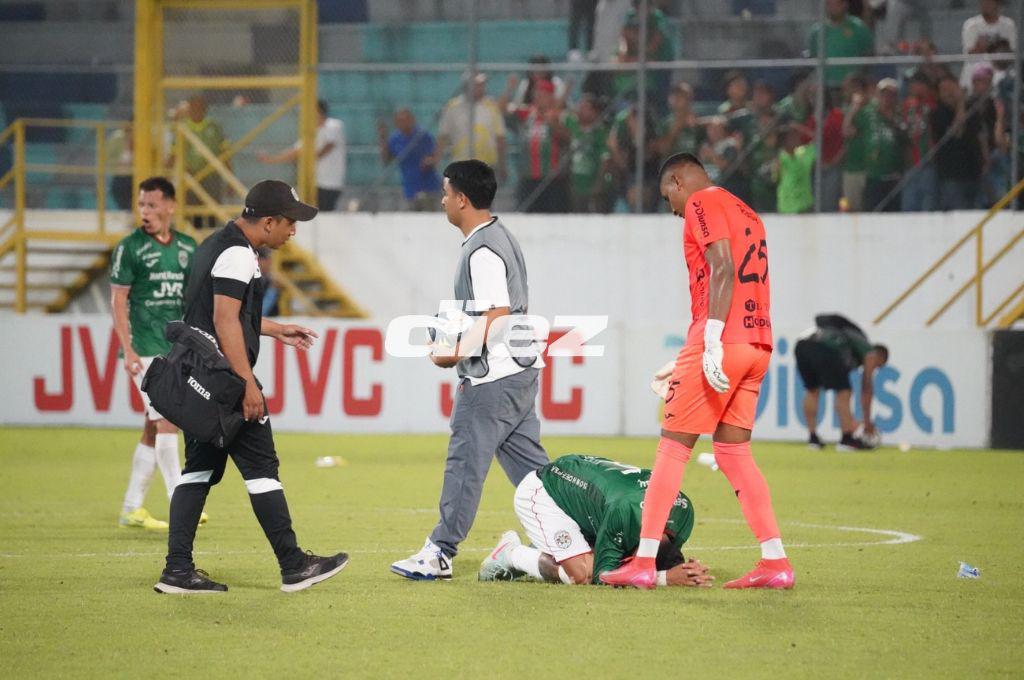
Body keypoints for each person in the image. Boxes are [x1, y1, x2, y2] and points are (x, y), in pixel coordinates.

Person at [600, 153, 791, 590]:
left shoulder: (702, 203)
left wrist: (709, 341)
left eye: (669, 195)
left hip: (721, 338)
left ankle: (644, 562)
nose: (672, 208)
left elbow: (722, 266)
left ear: (679, 179)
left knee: (673, 448)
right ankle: (775, 561)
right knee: (732, 453)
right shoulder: (748, 212)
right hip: (756, 341)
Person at [155, 180, 348, 594]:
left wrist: (276, 330)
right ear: (268, 221)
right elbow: (225, 321)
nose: (293, 231)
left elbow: (220, 314)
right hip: (224, 380)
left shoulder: (217, 244)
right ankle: (293, 565)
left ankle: (177, 570)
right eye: (290, 222)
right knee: (262, 469)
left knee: (199, 470)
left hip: (198, 376)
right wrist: (247, 385)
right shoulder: (240, 256)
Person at [390, 160, 549, 581]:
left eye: (445, 193)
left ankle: (439, 553)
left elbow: (497, 312)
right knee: (532, 471)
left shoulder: (481, 249)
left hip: (492, 377)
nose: (442, 200)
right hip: (518, 372)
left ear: (462, 198)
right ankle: (567, 533)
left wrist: (455, 353)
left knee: (465, 462)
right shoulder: (500, 237)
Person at [478, 454, 712, 588]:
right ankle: (511, 554)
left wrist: (682, 569)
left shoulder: (684, 512)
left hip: (588, 499)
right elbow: (602, 577)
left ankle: (553, 548)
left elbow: (660, 554)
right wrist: (665, 579)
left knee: (608, 552)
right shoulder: (623, 513)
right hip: (544, 492)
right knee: (582, 574)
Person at [110, 177, 198, 531]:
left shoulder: (188, 248)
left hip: (176, 350)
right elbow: (118, 299)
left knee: (152, 426)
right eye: (141, 205)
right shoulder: (129, 248)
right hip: (144, 348)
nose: (145, 212)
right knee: (168, 421)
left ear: (170, 206)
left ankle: (132, 507)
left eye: (151, 205)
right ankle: (182, 504)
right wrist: (127, 348)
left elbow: (192, 301)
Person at [794, 314, 889, 451]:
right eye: (878, 366)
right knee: (844, 391)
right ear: (880, 356)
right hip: (824, 347)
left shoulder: (851, 349)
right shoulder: (870, 352)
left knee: (812, 389)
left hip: (802, 345)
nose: (875, 368)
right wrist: (867, 422)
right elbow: (866, 387)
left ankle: (813, 439)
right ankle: (847, 439)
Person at [258, 99, 346, 211]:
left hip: (331, 182)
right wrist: (271, 159)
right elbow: (295, 152)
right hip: (314, 182)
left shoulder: (334, 125)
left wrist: (312, 157)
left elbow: (329, 145)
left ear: (319, 112)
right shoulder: (310, 132)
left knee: (325, 213)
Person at [510, 79, 571, 213]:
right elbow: (505, 111)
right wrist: (510, 88)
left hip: (553, 179)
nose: (538, 98)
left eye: (542, 95)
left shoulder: (561, 115)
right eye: (536, 94)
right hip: (529, 177)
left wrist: (552, 122)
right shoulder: (528, 114)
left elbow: (568, 139)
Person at [437, 73, 508, 181]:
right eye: (477, 85)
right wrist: (437, 161)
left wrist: (502, 165)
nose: (481, 88)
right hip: (461, 164)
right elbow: (443, 136)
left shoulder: (492, 106)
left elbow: (500, 138)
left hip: (487, 165)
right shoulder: (453, 107)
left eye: (482, 85)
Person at [931, 75, 987, 211]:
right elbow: (957, 131)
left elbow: (980, 135)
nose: (949, 92)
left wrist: (985, 159)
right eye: (944, 89)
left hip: (974, 171)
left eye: (952, 88)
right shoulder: (938, 113)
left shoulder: (971, 109)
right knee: (959, 213)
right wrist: (961, 103)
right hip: (952, 175)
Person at [377, 108, 441, 211]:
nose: (403, 123)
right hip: (409, 188)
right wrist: (383, 139)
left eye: (406, 119)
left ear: (412, 120)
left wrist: (429, 161)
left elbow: (434, 155)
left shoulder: (423, 136)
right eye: (400, 121)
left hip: (429, 187)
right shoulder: (395, 139)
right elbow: (387, 160)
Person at [180, 96, 228, 229]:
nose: (196, 111)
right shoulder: (182, 128)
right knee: (192, 213)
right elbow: (174, 154)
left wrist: (229, 178)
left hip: (211, 177)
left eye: (199, 108)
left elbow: (225, 154)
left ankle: (211, 241)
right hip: (191, 177)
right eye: (193, 108)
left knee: (212, 211)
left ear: (205, 110)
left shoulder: (214, 127)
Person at [808, 0, 875, 91]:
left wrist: (858, 78)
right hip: (824, 87)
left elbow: (869, 55)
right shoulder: (817, 31)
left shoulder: (858, 27)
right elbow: (812, 58)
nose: (833, 7)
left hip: (853, 88)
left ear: (845, 4)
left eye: (837, 4)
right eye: (829, 4)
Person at [863, 78, 908, 212]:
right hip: (873, 176)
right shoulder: (868, 113)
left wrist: (891, 119)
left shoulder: (901, 114)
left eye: (891, 95)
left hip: (894, 176)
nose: (887, 98)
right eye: (883, 94)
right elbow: (847, 130)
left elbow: (906, 140)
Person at [565, 94, 612, 213]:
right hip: (575, 185)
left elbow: (605, 159)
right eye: (580, 106)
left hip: (593, 187)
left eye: (585, 107)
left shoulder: (601, 132)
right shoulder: (572, 125)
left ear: (595, 112)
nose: (580, 109)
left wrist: (599, 184)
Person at [900, 71, 938, 212]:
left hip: (928, 162)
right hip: (909, 163)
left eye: (917, 84)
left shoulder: (933, 103)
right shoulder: (904, 106)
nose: (913, 87)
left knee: (928, 205)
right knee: (909, 205)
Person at [960, 0, 1017, 93]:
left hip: (1001, 67)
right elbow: (970, 53)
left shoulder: (1009, 25)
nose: (985, 6)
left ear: (997, 5)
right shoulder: (971, 25)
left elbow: (1012, 52)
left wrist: (986, 46)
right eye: (982, 3)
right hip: (976, 66)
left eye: (989, 3)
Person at [840, 73, 872, 212]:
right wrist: (854, 108)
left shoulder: (870, 110)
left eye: (848, 88)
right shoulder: (847, 110)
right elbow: (846, 131)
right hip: (852, 168)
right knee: (850, 208)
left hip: (868, 167)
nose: (845, 93)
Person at [775, 124, 816, 214]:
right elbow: (775, 177)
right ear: (784, 141)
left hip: (805, 206)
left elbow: (817, 140)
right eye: (791, 137)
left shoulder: (804, 152)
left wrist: (801, 128)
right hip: (786, 207)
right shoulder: (780, 157)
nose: (795, 139)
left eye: (795, 136)